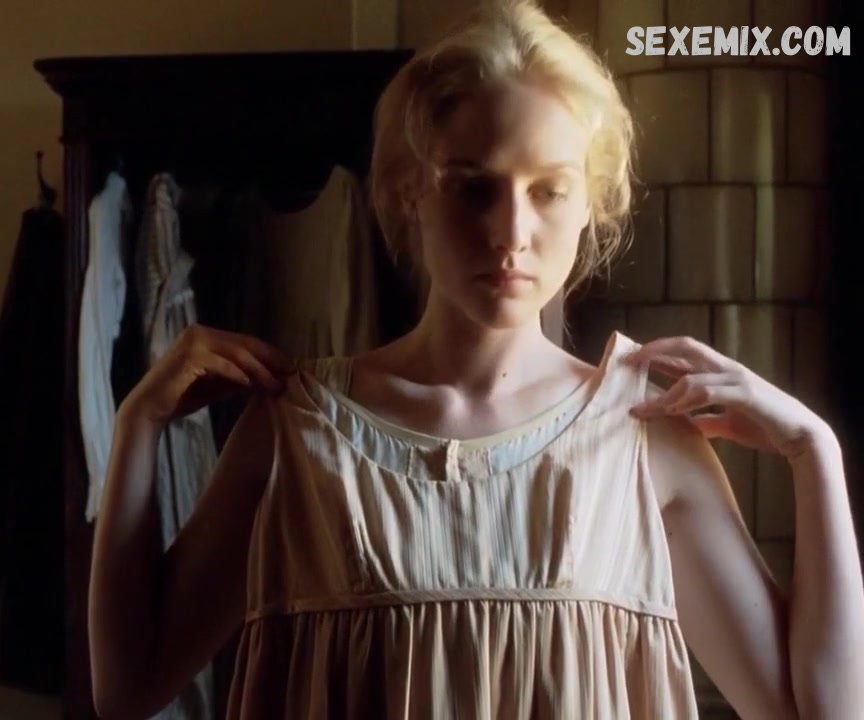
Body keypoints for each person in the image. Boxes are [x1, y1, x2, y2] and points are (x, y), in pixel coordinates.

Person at [86, 1, 864, 718]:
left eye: (549, 190)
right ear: (409, 193)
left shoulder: (643, 436)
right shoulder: (299, 432)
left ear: (590, 205)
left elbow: (819, 711)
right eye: (473, 188)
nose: (510, 233)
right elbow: (127, 688)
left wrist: (814, 452)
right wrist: (138, 423)